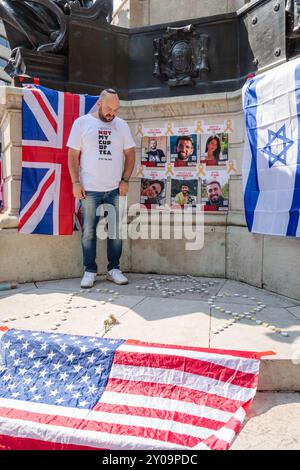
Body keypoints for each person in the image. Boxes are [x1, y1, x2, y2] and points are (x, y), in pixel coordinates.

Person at [67, 88, 136, 288]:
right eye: (108, 108)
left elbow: (131, 154)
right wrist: (75, 182)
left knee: (115, 231)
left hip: (115, 189)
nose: (112, 113)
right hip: (89, 189)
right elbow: (72, 155)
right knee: (88, 231)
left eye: (116, 109)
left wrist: (125, 179)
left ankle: (114, 269)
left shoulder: (121, 125)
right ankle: (89, 270)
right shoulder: (81, 123)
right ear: (99, 103)